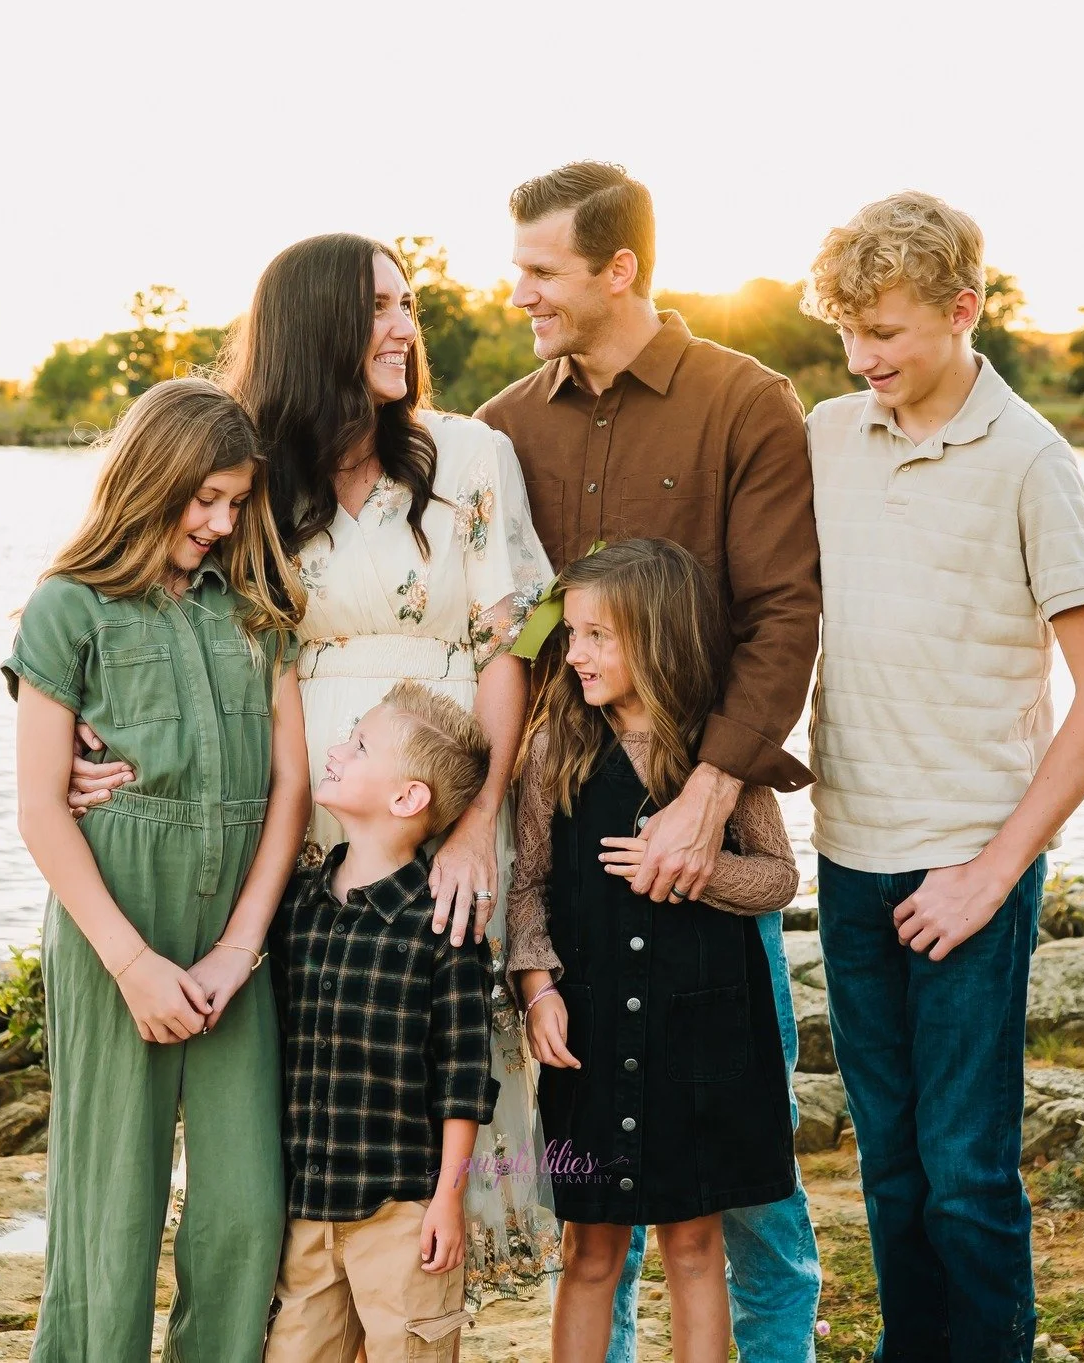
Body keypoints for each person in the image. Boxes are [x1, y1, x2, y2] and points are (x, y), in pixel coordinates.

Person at [68, 234, 560, 1298]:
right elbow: (118, 579)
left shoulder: (469, 456)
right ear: (313, 326)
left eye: (407, 304)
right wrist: (70, 727)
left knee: (432, 1060)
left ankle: (418, 1309)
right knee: (309, 1086)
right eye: (377, 307)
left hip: (435, 806)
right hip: (287, 812)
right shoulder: (255, 476)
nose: (403, 328)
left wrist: (477, 823)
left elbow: (511, 645)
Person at [477, 162, 821, 1363]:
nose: (519, 292)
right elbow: (509, 630)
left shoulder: (743, 402)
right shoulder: (503, 428)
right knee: (595, 1213)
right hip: (570, 845)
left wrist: (707, 803)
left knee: (746, 1187)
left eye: (541, 270)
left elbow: (783, 616)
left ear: (617, 268)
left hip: (707, 835)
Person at [800, 191, 1084, 1362]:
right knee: (889, 1171)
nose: (861, 358)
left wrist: (991, 875)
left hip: (967, 870)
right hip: (845, 857)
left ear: (962, 309)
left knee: (963, 1176)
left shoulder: (1031, 460)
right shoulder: (826, 435)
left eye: (883, 332)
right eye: (846, 333)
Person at [2, 378, 311, 1362]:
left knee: (245, 1208)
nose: (220, 522)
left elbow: (290, 790)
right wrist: (132, 964)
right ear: (148, 480)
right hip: (113, 924)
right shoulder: (68, 608)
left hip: (234, 942)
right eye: (204, 498)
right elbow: (40, 808)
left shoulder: (257, 612)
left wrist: (238, 949)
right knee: (112, 1208)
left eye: (236, 502)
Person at [509, 538, 799, 1363]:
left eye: (598, 636)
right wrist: (538, 989)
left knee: (695, 1246)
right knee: (590, 1252)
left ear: (659, 636)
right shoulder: (552, 749)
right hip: (591, 1041)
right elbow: (526, 886)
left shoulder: (721, 757)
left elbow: (779, 876)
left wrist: (696, 868)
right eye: (571, 634)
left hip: (703, 1043)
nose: (575, 653)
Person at [264, 682, 499, 1363]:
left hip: (404, 1213)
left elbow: (463, 1077)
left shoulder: (442, 926)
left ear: (407, 798)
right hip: (308, 1208)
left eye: (359, 744)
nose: (337, 750)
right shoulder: (297, 905)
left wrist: (448, 1199)